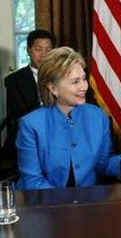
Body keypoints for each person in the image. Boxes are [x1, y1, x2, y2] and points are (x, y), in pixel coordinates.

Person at [16, 47, 121, 190]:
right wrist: (67, 204)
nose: (84, 87)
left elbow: (102, 165)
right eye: (75, 82)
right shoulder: (30, 124)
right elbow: (32, 181)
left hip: (87, 202)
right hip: (45, 205)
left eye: (84, 79)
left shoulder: (98, 117)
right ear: (53, 88)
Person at [3, 29, 56, 162]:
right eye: (38, 49)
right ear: (28, 50)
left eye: (48, 50)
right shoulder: (14, 80)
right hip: (27, 140)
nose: (44, 55)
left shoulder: (64, 77)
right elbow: (19, 118)